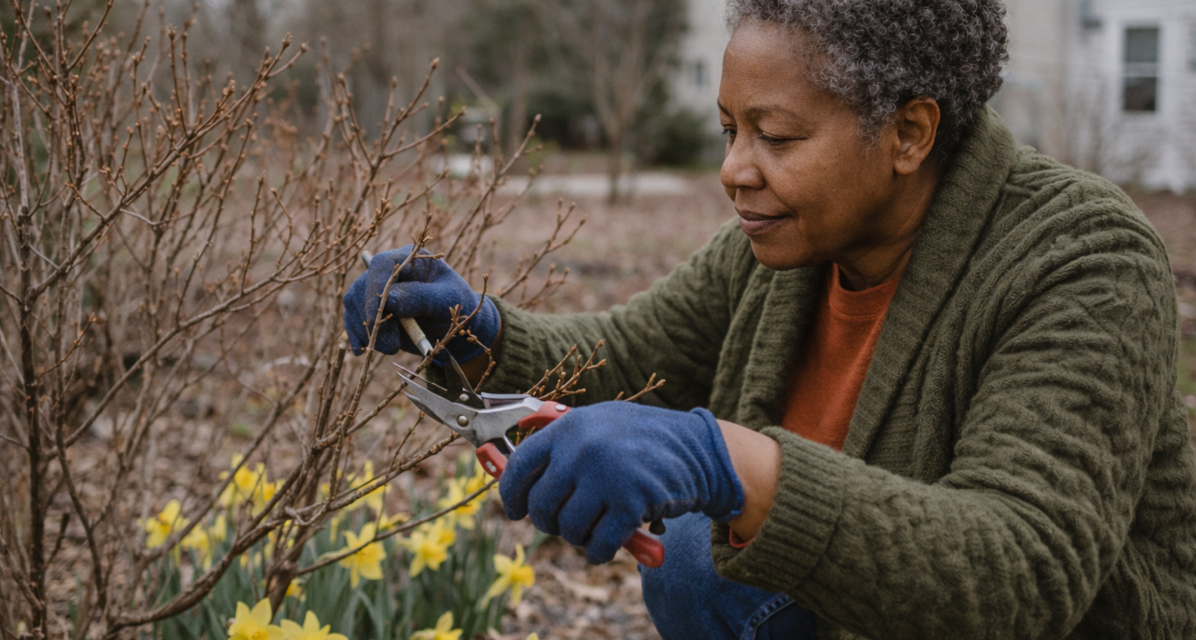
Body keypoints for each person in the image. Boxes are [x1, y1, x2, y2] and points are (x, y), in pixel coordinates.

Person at [344, 0, 1196, 637]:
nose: (734, 170)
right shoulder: (788, 245)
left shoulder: (1083, 260)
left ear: (909, 133)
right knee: (700, 558)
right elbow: (633, 355)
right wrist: (476, 331)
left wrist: (730, 461)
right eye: (728, 131)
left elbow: (1021, 571)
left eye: (776, 138)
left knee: (693, 549)